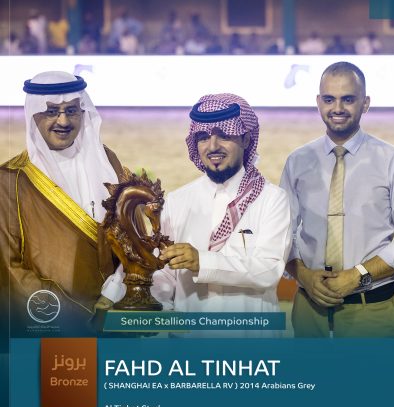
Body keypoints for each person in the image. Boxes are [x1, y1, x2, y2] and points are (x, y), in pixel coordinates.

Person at [102, 93, 291, 336]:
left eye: (224, 135)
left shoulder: (271, 199)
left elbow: (268, 270)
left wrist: (202, 262)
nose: (212, 147)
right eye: (203, 138)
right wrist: (143, 305)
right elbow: (164, 274)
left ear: (245, 138)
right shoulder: (178, 201)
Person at [280, 62, 394, 338]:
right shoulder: (297, 161)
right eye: (329, 99)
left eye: (348, 99)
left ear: (365, 103)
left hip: (371, 312)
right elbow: (282, 233)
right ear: (318, 102)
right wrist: (303, 275)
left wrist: (358, 275)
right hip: (309, 310)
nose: (337, 108)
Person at [0, 71, 123, 334]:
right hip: (52, 324)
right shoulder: (9, 180)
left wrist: (113, 295)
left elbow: (132, 239)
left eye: (72, 111)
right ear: (33, 115)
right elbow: (10, 269)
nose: (63, 121)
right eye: (52, 111)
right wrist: (77, 317)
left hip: (114, 313)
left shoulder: (107, 161)